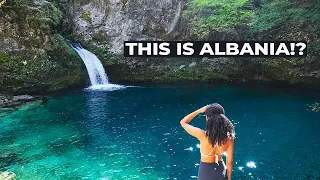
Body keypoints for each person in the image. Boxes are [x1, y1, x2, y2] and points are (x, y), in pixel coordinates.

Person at [180, 103, 235, 180]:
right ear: (223, 118)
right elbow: (229, 163)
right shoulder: (229, 137)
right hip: (221, 171)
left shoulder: (202, 135)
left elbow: (183, 122)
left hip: (205, 172)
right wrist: (228, 179)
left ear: (207, 118)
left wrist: (200, 110)